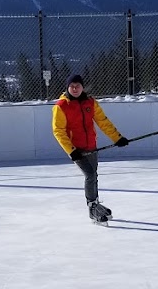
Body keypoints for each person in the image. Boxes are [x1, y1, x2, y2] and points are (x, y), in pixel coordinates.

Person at [52, 74, 129, 223]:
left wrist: (117, 138)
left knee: (94, 175)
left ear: (82, 87)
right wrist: (71, 151)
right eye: (72, 86)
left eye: (78, 86)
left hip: (91, 146)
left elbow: (103, 122)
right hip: (76, 150)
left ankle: (95, 204)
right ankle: (92, 207)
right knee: (90, 175)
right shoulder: (61, 106)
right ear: (67, 87)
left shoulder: (90, 102)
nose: (75, 89)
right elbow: (58, 131)